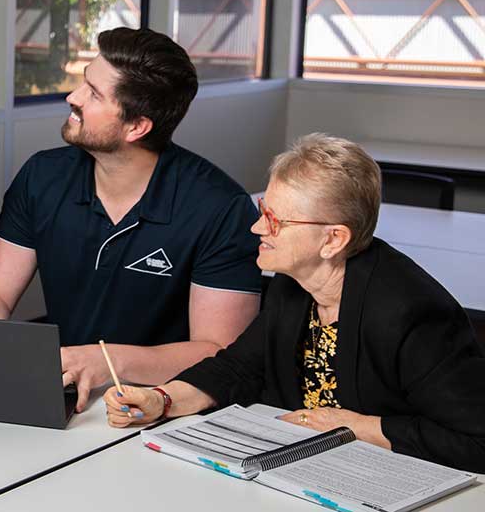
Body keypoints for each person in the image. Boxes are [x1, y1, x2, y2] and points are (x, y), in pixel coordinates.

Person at [104, 134, 485, 473]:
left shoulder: (410, 313)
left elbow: (476, 441)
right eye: (261, 212)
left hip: (377, 481)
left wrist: (360, 427)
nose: (257, 229)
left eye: (274, 220)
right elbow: (239, 369)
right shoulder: (295, 284)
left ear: (333, 240)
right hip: (299, 471)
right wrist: (161, 399)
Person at [0, 27, 263, 412]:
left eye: (93, 93)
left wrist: (108, 362)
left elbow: (222, 354)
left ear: (137, 126)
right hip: (65, 396)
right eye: (83, 83)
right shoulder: (42, 176)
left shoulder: (221, 208)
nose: (73, 97)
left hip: (164, 407)